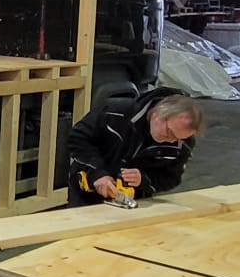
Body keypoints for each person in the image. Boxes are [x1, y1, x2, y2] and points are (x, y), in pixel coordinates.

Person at [66, 88, 204, 205]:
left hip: (134, 201)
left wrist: (144, 179)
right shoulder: (114, 112)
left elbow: (171, 178)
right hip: (85, 195)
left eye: (179, 138)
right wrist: (97, 173)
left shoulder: (183, 143)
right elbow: (78, 138)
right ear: (158, 113)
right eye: (169, 132)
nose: (171, 141)